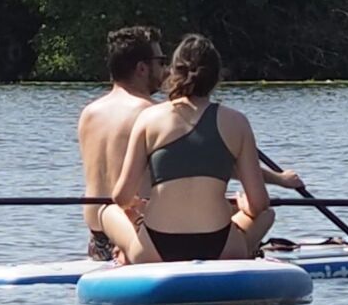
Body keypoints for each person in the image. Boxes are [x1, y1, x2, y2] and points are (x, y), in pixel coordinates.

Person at [99, 34, 280, 263]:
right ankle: (245, 250)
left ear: (174, 73)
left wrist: (136, 212)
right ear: (216, 76)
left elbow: (121, 196)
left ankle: (127, 252)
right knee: (267, 214)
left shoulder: (148, 119)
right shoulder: (237, 122)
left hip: (156, 250)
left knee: (107, 212)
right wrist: (245, 208)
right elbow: (259, 203)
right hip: (220, 247)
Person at [77, 26, 167, 260]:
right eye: (161, 61)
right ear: (141, 68)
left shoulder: (89, 113)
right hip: (135, 231)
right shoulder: (151, 113)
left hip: (98, 238)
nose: (165, 70)